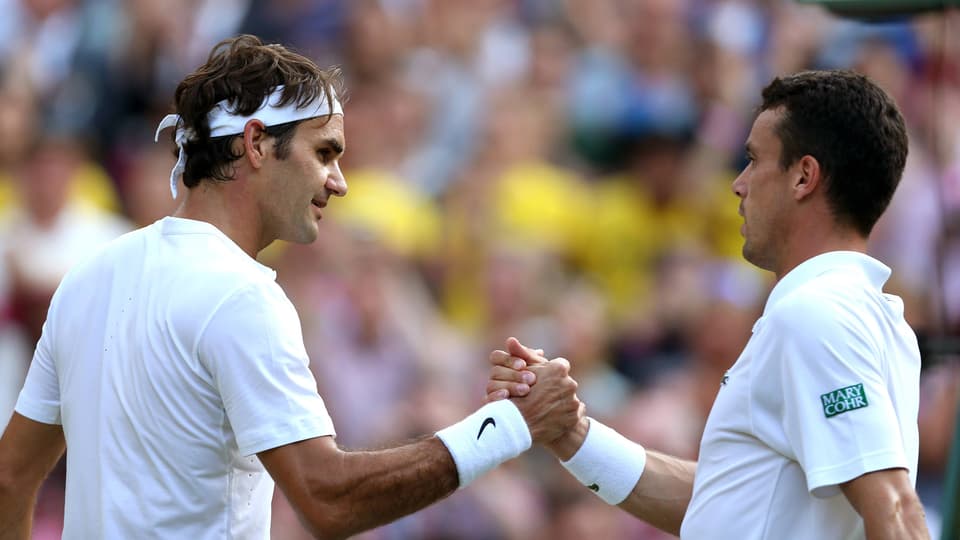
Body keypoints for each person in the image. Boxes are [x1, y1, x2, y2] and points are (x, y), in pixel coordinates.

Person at [0, 35, 584, 540]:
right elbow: (328, 499)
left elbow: (10, 477)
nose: (341, 182)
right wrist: (509, 428)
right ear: (255, 144)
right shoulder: (242, 295)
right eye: (324, 152)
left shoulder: (89, 275)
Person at [487, 69, 931, 539]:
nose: (738, 184)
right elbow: (726, 505)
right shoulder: (856, 314)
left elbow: (895, 508)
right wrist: (570, 434)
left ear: (803, 177)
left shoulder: (816, 314)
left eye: (754, 161)